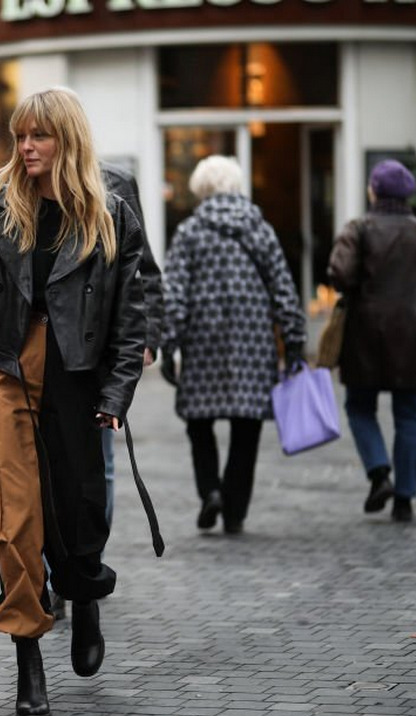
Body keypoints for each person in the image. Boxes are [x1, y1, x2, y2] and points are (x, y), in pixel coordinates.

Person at [0, 87, 147, 716]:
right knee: (13, 517)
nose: (27, 147)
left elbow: (130, 313)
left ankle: (84, 592)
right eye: (20, 136)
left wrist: (117, 393)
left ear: (68, 139)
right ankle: (27, 656)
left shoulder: (110, 211)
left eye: (40, 135)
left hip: (77, 373)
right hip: (6, 371)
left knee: (76, 505)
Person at [160, 155, 305, 535]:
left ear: (201, 189)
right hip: (253, 344)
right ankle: (235, 509)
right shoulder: (260, 229)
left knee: (199, 422)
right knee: (247, 426)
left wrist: (167, 345)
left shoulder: (190, 232)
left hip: (202, 341)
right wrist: (294, 342)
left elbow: (173, 294)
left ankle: (210, 490)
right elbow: (283, 289)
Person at [50, 162, 162, 622]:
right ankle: (58, 573)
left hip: (93, 354)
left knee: (100, 463)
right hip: (45, 361)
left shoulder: (116, 187)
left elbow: (142, 269)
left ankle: (86, 560)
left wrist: (147, 337)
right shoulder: (17, 190)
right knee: (42, 473)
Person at [327, 159, 416, 523]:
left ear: (374, 190)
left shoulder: (359, 229)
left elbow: (338, 273)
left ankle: (379, 473)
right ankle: (405, 498)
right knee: (412, 414)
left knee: (359, 406)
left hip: (367, 335)